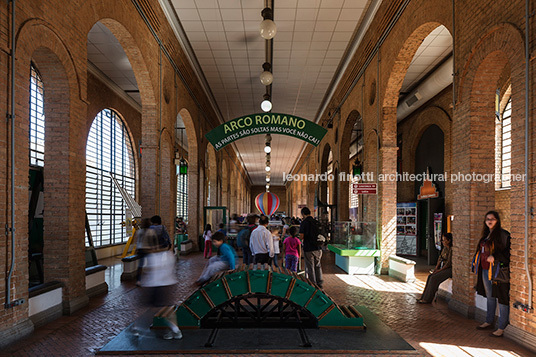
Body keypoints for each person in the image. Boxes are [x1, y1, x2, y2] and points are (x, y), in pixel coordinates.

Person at [137, 218, 182, 340]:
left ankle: (141, 328)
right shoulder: (169, 255)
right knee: (166, 308)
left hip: (156, 285)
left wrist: (142, 282)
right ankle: (174, 329)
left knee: (156, 308)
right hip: (167, 284)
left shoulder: (152, 257)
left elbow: (148, 271)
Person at [472, 210, 511, 337]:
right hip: (485, 270)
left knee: (502, 298)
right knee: (490, 297)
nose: (490, 221)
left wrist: (495, 257)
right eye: (487, 219)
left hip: (498, 273)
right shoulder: (486, 235)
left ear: (497, 220)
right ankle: (489, 321)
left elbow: (508, 252)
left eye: (492, 219)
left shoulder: (503, 235)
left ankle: (501, 327)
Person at [417, 233, 453, 304]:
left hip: (449, 269)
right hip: (443, 268)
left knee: (434, 279)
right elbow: (440, 259)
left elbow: (448, 263)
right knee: (430, 276)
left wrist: (439, 271)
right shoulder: (445, 248)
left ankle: (428, 299)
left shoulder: (452, 250)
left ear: (449, 241)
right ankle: (423, 297)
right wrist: (436, 268)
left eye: (444, 240)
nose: (443, 242)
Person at [299, 207, 323, 288]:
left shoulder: (304, 223)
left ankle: (313, 284)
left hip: (309, 248)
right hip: (318, 248)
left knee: (310, 266)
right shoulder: (316, 222)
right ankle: (320, 283)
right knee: (318, 265)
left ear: (303, 214)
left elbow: (301, 236)